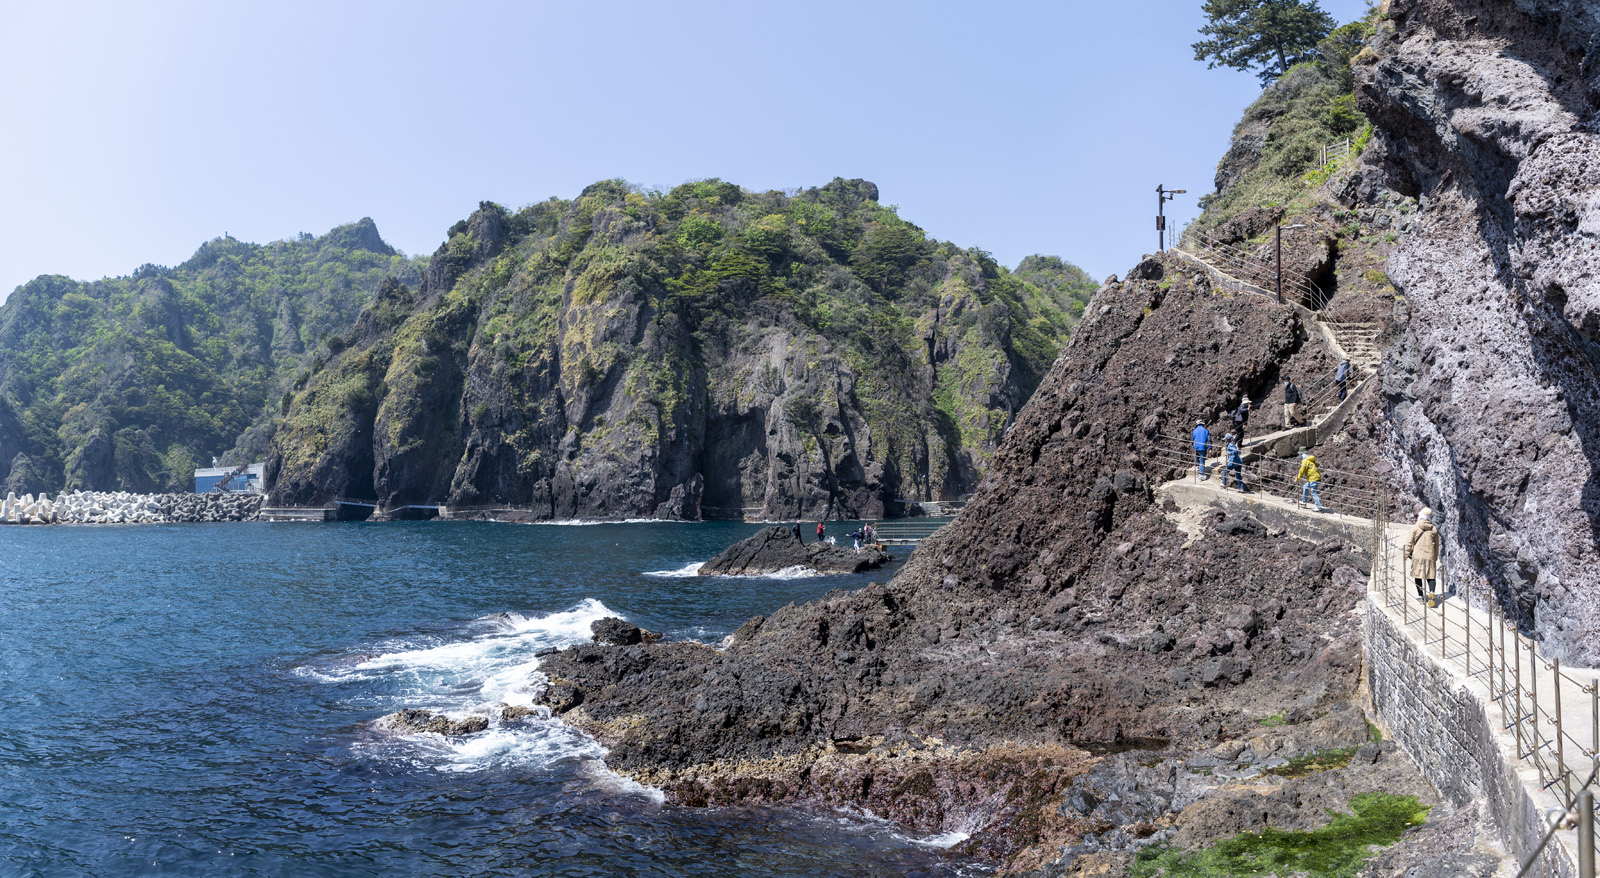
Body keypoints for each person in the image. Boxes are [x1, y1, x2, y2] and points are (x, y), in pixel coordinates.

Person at [1405, 508, 1440, 601]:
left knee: (1418, 575)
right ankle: (1432, 592)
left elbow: (1409, 543)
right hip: (1430, 555)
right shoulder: (1433, 529)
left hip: (1418, 556)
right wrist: (1435, 557)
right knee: (1431, 575)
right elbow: (1437, 545)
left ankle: (1421, 596)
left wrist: (1405, 555)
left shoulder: (1415, 527)